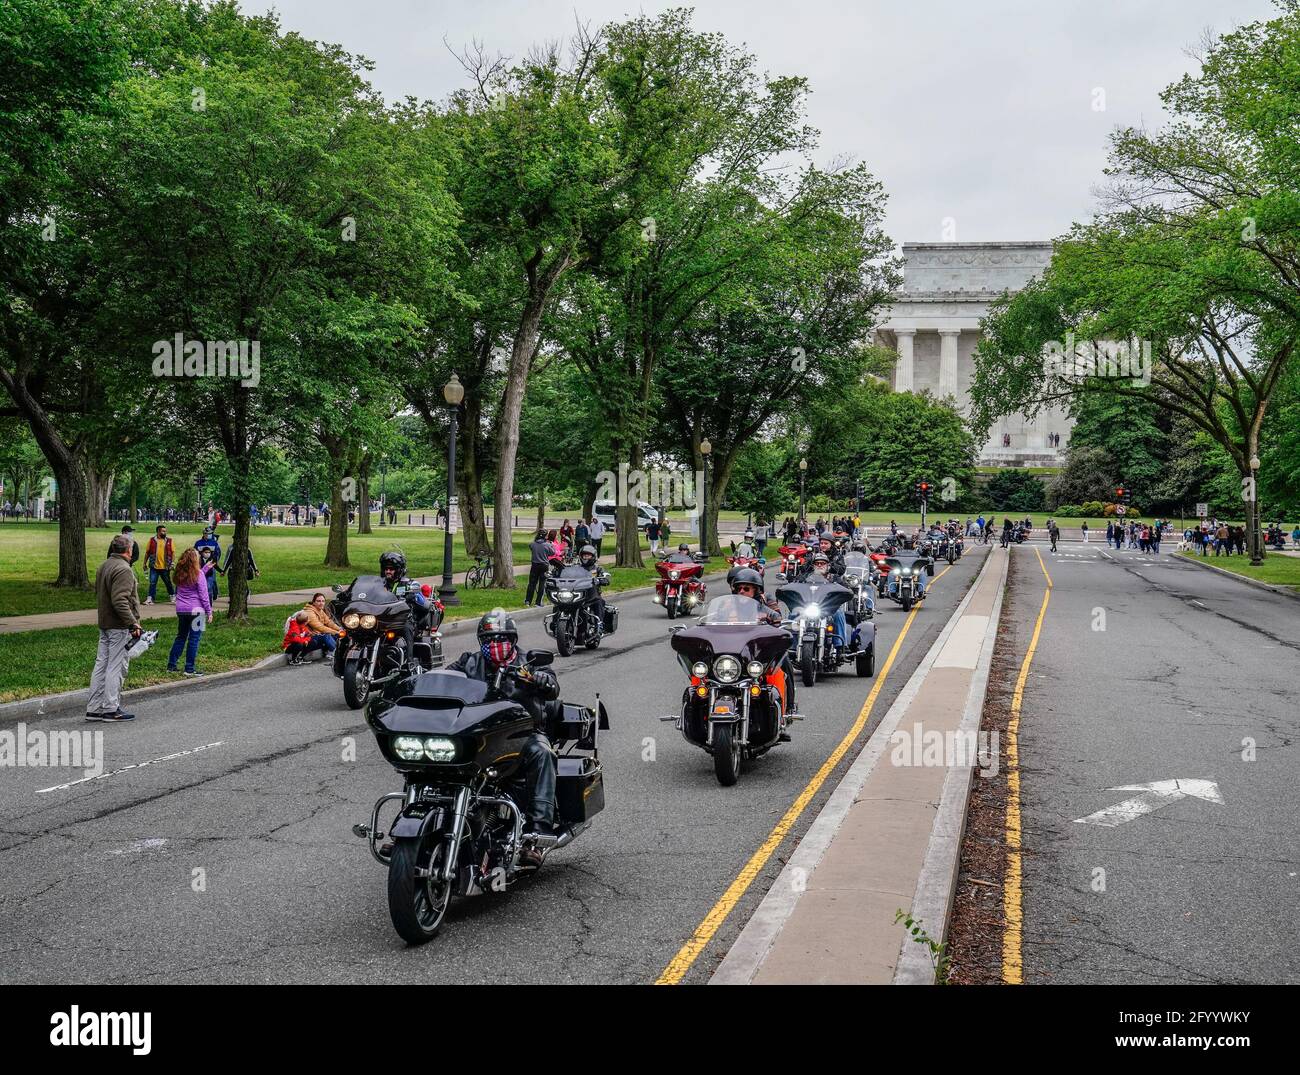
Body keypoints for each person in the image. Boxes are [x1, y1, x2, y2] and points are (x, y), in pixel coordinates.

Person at [448, 610, 559, 867]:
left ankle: (537, 836)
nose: (496, 645)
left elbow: (552, 687)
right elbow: (446, 679)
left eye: (503, 639)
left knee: (543, 753)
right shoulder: (469, 662)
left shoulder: (530, 663)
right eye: (490, 640)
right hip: (479, 735)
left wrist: (541, 679)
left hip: (522, 733)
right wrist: (423, 679)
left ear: (514, 639)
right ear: (481, 642)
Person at [88, 535, 143, 721]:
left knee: (101, 664)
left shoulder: (104, 566)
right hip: (118, 625)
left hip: (105, 622)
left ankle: (94, 708)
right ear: (128, 550)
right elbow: (120, 600)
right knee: (115, 666)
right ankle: (110, 708)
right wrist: (132, 622)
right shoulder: (124, 569)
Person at [167, 548, 213, 675]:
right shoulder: (199, 574)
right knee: (194, 639)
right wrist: (209, 611)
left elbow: (192, 580)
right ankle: (189, 668)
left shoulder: (180, 573)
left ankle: (171, 665)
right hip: (197, 610)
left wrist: (205, 569)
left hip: (182, 609)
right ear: (195, 559)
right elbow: (204, 594)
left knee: (181, 636)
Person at [300, 592, 345, 657]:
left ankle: (333, 651)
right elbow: (320, 627)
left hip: (319, 635)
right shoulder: (309, 612)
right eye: (318, 601)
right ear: (313, 602)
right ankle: (338, 654)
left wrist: (340, 629)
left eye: (323, 601)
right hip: (310, 638)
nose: (321, 603)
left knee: (341, 635)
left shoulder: (319, 610)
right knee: (326, 635)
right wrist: (336, 632)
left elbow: (329, 622)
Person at [143, 524, 175, 604]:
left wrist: (172, 563)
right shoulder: (152, 540)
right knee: (152, 583)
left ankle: (173, 596)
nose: (165, 533)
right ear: (158, 531)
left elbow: (173, 553)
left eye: (165, 531)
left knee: (168, 582)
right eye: (163, 531)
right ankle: (150, 598)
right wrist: (144, 563)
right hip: (154, 567)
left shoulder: (169, 541)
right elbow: (147, 553)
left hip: (165, 567)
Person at [525, 530, 553, 607]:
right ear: (545, 536)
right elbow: (552, 553)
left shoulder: (533, 544)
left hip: (534, 565)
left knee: (531, 583)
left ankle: (528, 601)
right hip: (544, 565)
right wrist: (551, 545)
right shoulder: (547, 545)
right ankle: (538, 602)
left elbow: (530, 547)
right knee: (542, 583)